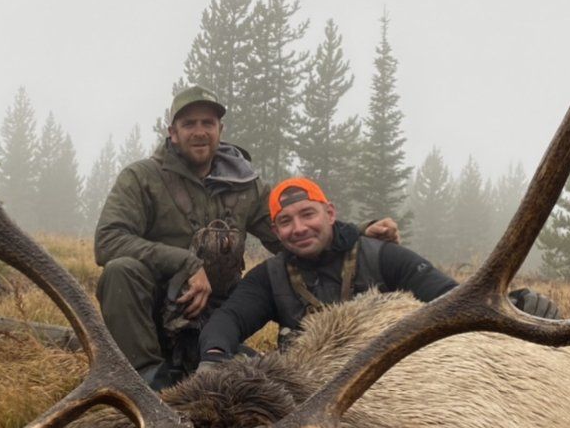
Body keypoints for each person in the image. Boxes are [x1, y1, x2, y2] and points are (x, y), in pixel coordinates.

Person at [94, 85, 398, 388]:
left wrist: (358, 234)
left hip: (213, 317)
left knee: (250, 384)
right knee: (121, 270)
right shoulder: (141, 178)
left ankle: (202, 360)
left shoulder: (244, 184)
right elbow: (108, 240)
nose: (199, 131)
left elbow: (292, 234)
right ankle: (145, 379)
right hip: (150, 312)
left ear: (220, 130)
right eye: (189, 124)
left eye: (207, 123)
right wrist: (185, 263)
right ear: (172, 133)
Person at [197, 176, 560, 363]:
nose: (299, 228)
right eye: (286, 221)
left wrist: (512, 302)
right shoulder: (270, 277)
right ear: (276, 232)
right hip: (308, 395)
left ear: (330, 213)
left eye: (308, 214)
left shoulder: (382, 256)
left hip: (393, 390)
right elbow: (227, 320)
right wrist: (214, 357)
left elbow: (450, 299)